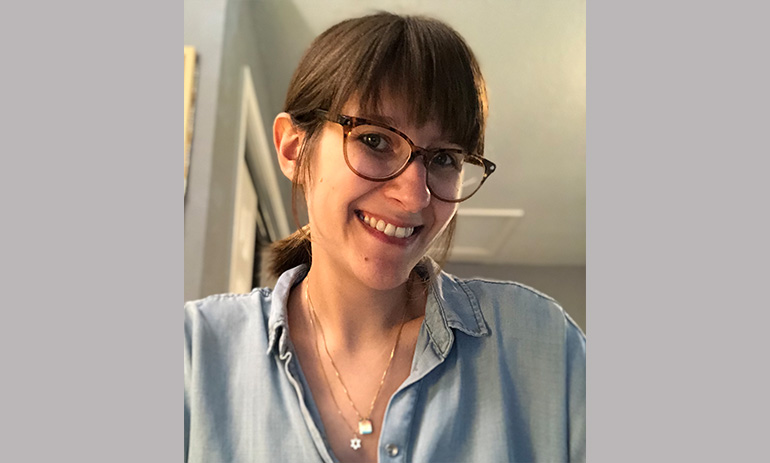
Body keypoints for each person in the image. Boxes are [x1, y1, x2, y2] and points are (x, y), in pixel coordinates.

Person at [184, 12, 585, 463]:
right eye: (375, 141)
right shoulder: (195, 357)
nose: (414, 196)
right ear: (294, 148)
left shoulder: (543, 348)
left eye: (445, 158)